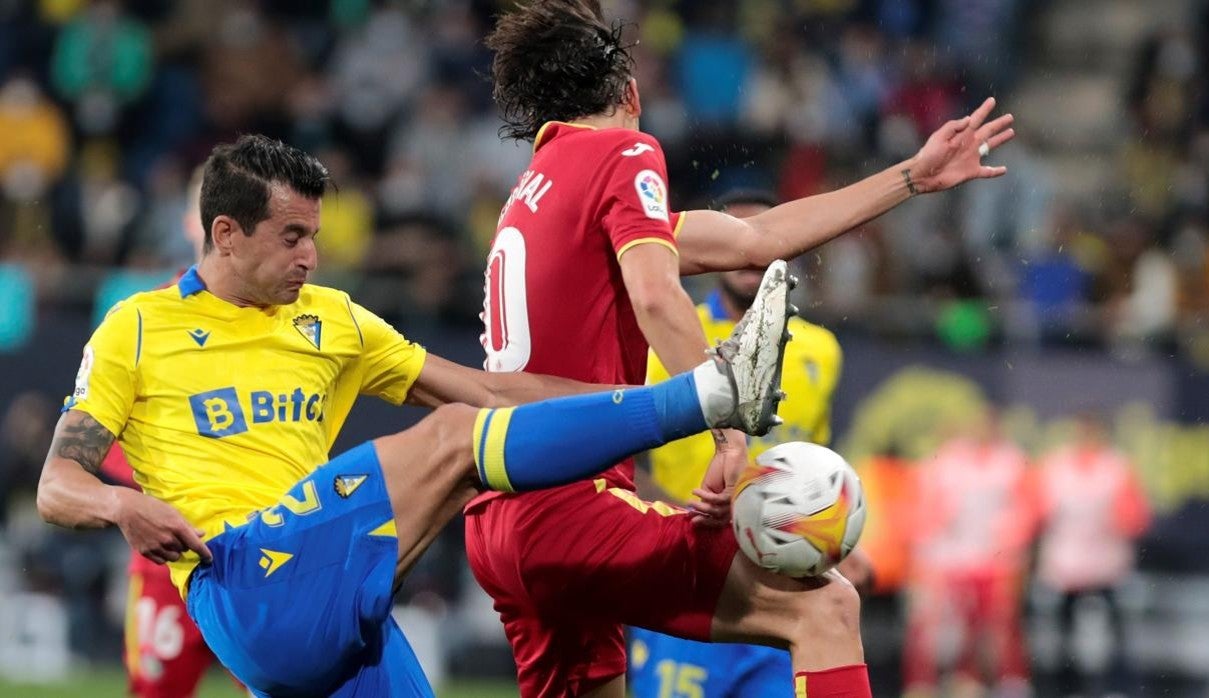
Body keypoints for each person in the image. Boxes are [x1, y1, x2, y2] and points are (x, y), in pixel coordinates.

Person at [36, 134, 794, 698]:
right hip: (238, 577)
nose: (311, 257)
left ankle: (700, 395)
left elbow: (489, 392)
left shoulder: (331, 320)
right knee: (453, 443)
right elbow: (57, 483)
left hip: (335, 598)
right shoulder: (136, 326)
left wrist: (625, 398)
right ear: (225, 234)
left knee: (465, 426)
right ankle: (712, 392)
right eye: (291, 237)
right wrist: (120, 503)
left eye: (316, 237)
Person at [473, 2, 1016, 696]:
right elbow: (655, 293)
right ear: (630, 94)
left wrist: (911, 175)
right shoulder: (621, 151)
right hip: (571, 507)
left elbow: (755, 240)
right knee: (825, 607)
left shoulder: (534, 192)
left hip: (500, 513)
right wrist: (727, 429)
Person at [627, 189, 867, 698]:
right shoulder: (667, 335)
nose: (748, 255)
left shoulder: (821, 351)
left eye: (759, 239)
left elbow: (816, 462)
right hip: (685, 571)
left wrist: (832, 537)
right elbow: (620, 463)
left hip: (779, 589)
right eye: (734, 239)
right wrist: (688, 513)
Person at [94, 165, 244, 697]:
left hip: (258, 559)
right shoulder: (138, 322)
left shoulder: (296, 323)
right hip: (167, 568)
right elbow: (104, 446)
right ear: (191, 224)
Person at [904, 410, 1038, 698]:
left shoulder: (1011, 462)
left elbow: (1026, 511)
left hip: (996, 558)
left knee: (997, 623)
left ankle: (1006, 680)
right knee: (939, 626)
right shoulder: (947, 461)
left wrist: (1012, 545)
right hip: (951, 558)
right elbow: (927, 511)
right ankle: (930, 683)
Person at [1036, 412, 1150, 697]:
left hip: (1105, 562)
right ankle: (1065, 688)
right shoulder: (1055, 466)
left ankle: (1113, 687)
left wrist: (1117, 519)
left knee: (1115, 632)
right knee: (1063, 632)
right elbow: (1037, 510)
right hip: (1065, 562)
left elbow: (1136, 517)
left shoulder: (1117, 466)